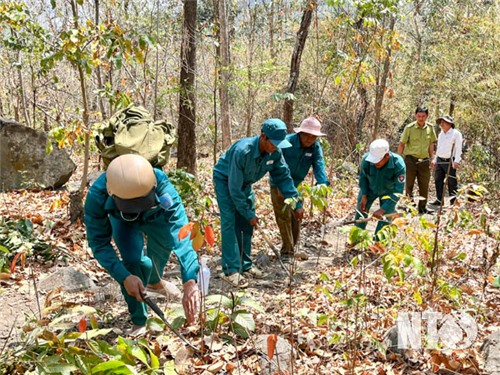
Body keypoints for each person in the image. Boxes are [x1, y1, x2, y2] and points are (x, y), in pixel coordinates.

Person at [84, 154, 199, 335]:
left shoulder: (161, 185)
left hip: (156, 216)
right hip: (122, 221)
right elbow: (99, 243)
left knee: (161, 249)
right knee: (133, 262)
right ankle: (139, 321)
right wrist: (124, 276)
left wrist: (190, 280)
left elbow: (181, 232)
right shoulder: (97, 195)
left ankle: (154, 281)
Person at [213, 118, 305, 288]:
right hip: (226, 181)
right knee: (230, 220)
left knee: (246, 225)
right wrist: (248, 213)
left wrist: (296, 203)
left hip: (245, 184)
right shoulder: (243, 151)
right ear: (263, 136)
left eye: (279, 144)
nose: (276, 147)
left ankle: (245, 264)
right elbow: (234, 189)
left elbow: (283, 176)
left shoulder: (275, 152)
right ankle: (231, 270)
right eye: (274, 143)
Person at [270, 117, 330, 262]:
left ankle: (292, 247)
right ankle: (287, 252)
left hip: (298, 185)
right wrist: (280, 186)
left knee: (297, 216)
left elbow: (319, 166)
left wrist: (322, 188)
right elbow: (276, 167)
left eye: (313, 136)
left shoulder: (315, 148)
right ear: (300, 133)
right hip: (280, 182)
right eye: (307, 135)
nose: (310, 139)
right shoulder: (286, 143)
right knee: (283, 217)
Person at [356, 139, 406, 235]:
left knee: (386, 217)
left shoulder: (398, 164)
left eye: (378, 161)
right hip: (370, 189)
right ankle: (356, 238)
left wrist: (383, 209)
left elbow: (398, 191)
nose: (375, 163)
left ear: (387, 156)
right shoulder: (366, 160)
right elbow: (363, 178)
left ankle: (379, 244)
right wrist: (364, 195)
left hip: (389, 192)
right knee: (360, 212)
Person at [397, 106, 437, 214]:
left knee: (424, 185)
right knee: (409, 184)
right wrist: (397, 159)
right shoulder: (409, 128)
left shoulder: (430, 128)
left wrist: (432, 158)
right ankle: (410, 206)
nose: (421, 118)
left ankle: (422, 207)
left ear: (427, 116)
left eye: (423, 116)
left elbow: (431, 144)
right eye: (419, 116)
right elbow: (402, 144)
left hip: (424, 161)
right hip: (410, 160)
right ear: (415, 116)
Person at [430, 115, 463, 206]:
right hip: (440, 159)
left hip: (450, 160)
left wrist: (457, 160)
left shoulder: (456, 134)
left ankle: (453, 202)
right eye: (441, 122)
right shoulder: (441, 134)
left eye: (444, 122)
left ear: (449, 124)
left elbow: (458, 148)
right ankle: (439, 200)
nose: (442, 124)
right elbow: (439, 148)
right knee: (438, 180)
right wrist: (435, 159)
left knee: (452, 182)